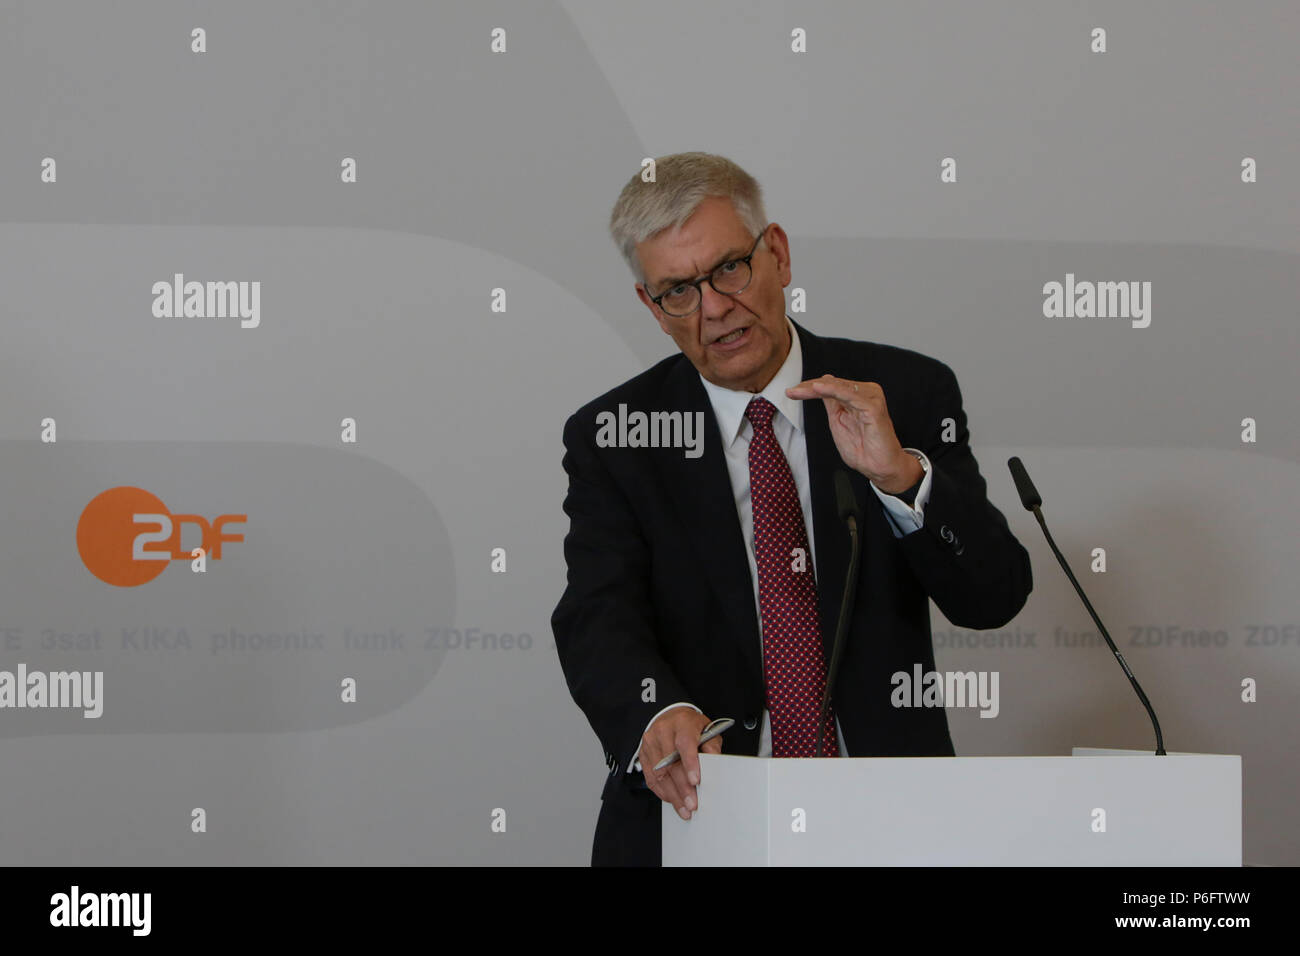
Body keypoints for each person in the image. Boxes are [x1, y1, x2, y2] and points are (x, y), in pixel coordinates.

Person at [551, 152, 1032, 866]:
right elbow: (597, 611)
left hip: (888, 822)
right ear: (651, 308)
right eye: (678, 291)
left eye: (729, 270)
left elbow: (993, 596)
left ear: (775, 253)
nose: (713, 308)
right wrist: (655, 708)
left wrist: (902, 478)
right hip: (700, 814)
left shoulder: (903, 391)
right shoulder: (617, 436)